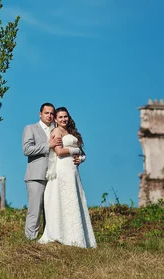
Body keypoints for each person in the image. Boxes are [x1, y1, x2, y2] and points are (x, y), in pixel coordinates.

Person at [22, 103, 84, 240]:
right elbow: (27, 150)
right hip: (36, 175)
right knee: (35, 209)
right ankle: (30, 239)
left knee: (52, 208)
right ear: (40, 114)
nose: (49, 116)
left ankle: (49, 237)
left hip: (55, 175)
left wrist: (80, 158)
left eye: (51, 113)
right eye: (46, 113)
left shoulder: (58, 129)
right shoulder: (30, 128)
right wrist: (48, 145)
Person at [37, 106, 96, 248]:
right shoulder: (56, 131)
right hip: (62, 168)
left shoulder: (71, 132)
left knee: (74, 199)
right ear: (56, 120)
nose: (64, 119)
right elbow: (59, 151)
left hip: (73, 170)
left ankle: (77, 236)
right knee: (64, 198)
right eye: (60, 117)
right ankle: (61, 234)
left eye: (66, 116)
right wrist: (74, 150)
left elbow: (81, 153)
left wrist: (81, 158)